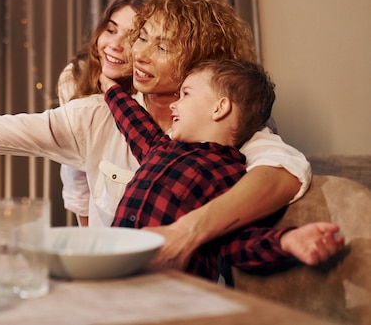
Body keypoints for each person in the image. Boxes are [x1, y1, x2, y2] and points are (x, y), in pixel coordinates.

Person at [0, 0, 311, 270]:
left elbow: (284, 171)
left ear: (200, 63)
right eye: (139, 37)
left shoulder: (231, 128)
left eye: (158, 47)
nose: (136, 54)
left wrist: (186, 233)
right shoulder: (99, 113)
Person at [102, 59, 343, 280]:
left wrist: (287, 241)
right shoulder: (161, 146)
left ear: (220, 108)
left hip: (169, 291)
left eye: (185, 94)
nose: (175, 103)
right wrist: (108, 85)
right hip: (111, 272)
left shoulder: (232, 174)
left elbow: (237, 244)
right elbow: (132, 120)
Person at [56, 0, 156, 226]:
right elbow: (74, 167)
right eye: (110, 30)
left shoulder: (154, 91)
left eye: (132, 37)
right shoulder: (75, 76)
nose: (115, 44)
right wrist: (87, 233)